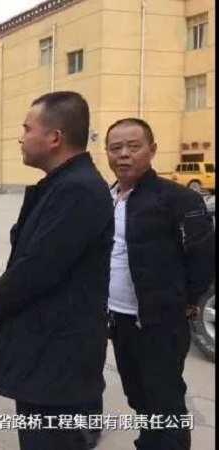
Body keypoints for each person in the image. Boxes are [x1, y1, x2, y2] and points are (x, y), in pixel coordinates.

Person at [0, 91, 114, 450]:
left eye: (27, 129)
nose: (21, 137)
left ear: (55, 137)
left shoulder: (78, 190)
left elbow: (38, 267)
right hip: (46, 349)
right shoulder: (61, 185)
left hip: (57, 356)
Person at [104, 118, 215, 450]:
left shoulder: (177, 199)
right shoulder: (105, 197)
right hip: (118, 318)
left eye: (133, 146)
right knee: (137, 394)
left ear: (151, 150)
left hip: (160, 322)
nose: (123, 154)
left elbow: (203, 257)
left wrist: (185, 300)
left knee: (165, 399)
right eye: (115, 148)